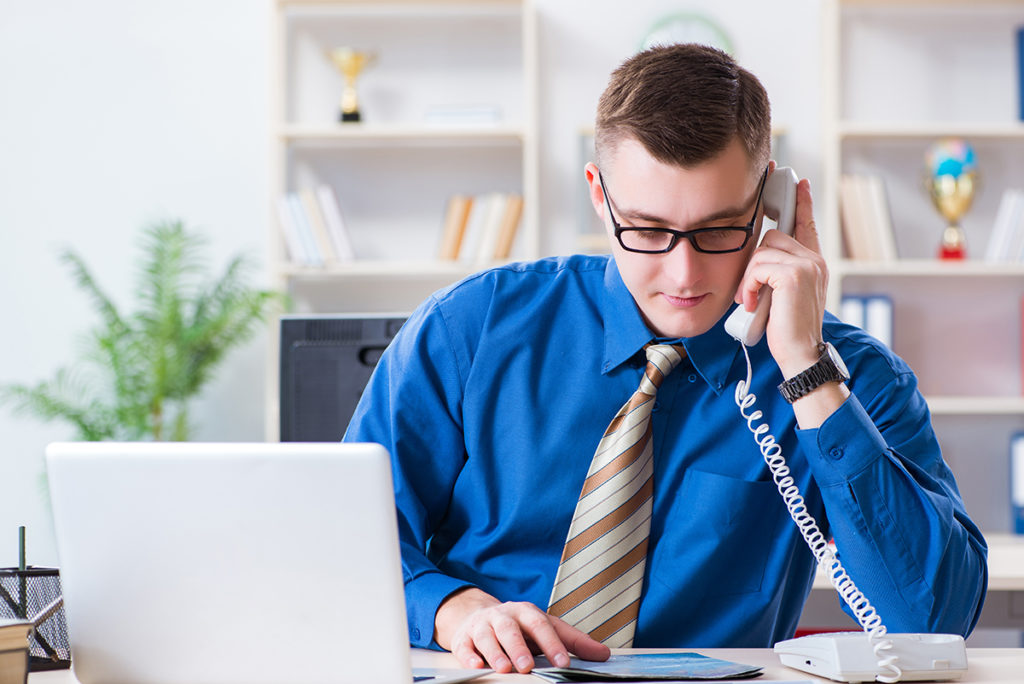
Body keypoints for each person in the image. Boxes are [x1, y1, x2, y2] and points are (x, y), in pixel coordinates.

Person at [343, 44, 987, 674]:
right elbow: (339, 542)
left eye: (718, 229)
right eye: (647, 230)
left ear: (772, 204)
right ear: (599, 195)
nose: (683, 273)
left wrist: (808, 370)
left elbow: (934, 623)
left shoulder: (851, 376)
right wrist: (454, 610)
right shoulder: (470, 329)